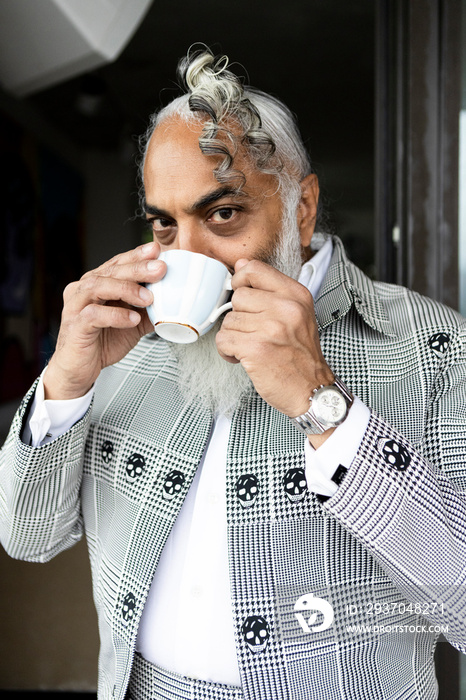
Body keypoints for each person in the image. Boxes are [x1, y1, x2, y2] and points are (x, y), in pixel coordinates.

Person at [1, 46, 466, 700]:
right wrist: (64, 383)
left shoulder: (432, 347)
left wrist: (324, 406)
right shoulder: (124, 346)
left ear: (301, 209)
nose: (185, 258)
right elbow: (27, 538)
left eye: (223, 214)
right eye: (166, 224)